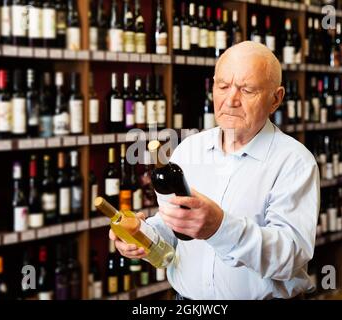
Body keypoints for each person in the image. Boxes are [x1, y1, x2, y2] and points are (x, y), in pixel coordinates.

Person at [110, 41, 320, 300]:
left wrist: (219, 228)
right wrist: (142, 235)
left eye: (247, 89)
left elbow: (289, 256)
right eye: (223, 86)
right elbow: (174, 227)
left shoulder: (294, 162)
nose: (231, 100)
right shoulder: (188, 149)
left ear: (276, 99)